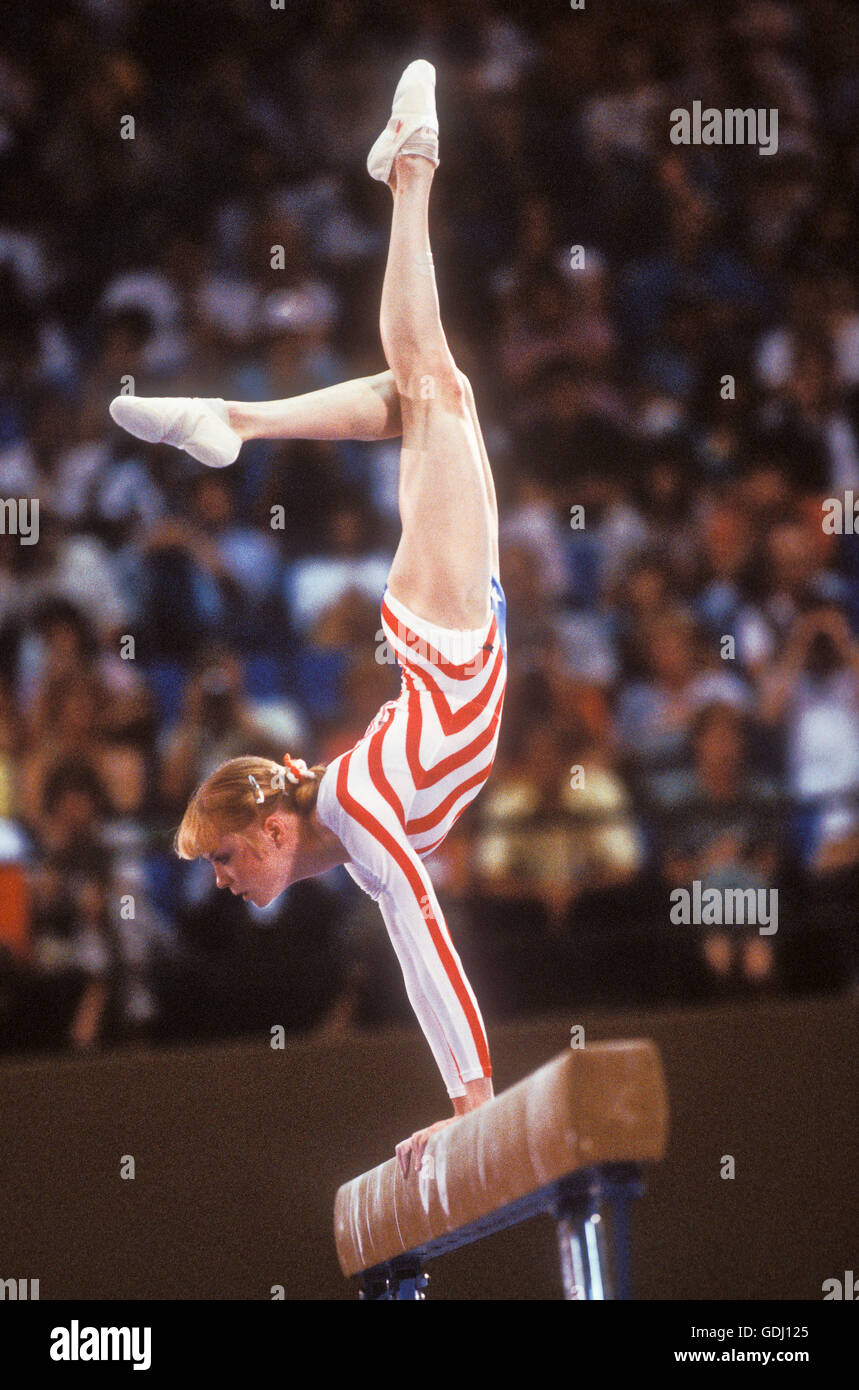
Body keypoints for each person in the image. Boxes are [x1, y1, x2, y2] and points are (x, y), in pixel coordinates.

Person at [109, 62, 506, 1179]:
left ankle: (410, 170)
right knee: (426, 390)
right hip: (450, 644)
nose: (224, 882)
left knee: (432, 384)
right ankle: (236, 409)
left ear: (273, 833)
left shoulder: (360, 821)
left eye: (229, 860)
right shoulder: (329, 813)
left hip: (450, 641)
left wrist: (474, 1099)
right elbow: (317, 801)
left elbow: (422, 937)